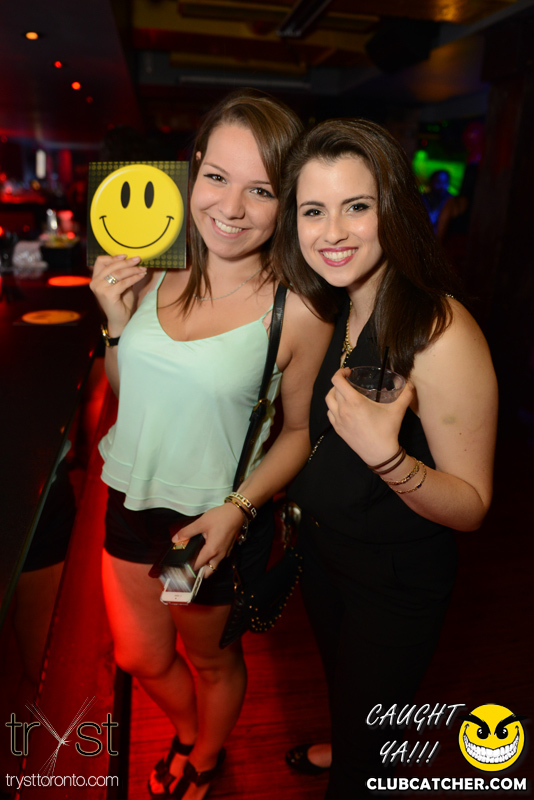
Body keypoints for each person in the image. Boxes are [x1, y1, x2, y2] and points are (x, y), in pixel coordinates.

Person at [89, 90, 333, 800]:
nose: (231, 207)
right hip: (130, 504)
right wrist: (115, 322)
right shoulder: (154, 265)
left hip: (201, 531)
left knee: (211, 661)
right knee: (139, 655)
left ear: (287, 201)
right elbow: (129, 390)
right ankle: (188, 728)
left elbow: (299, 432)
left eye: (261, 189)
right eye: (218, 177)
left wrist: (238, 509)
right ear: (193, 169)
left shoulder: (298, 309)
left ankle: (204, 754)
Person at [274, 118, 498, 798]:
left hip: (392, 583)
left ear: (393, 210)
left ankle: (361, 759)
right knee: (346, 692)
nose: (332, 232)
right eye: (313, 211)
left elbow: (472, 507)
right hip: (326, 559)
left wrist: (386, 458)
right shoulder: (340, 306)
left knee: (368, 757)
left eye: (357, 206)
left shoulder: (440, 330)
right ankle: (351, 740)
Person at [422, 169, 453, 238]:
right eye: (438, 182)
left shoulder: (451, 201)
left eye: (445, 182)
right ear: (431, 182)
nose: (442, 185)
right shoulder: (421, 198)